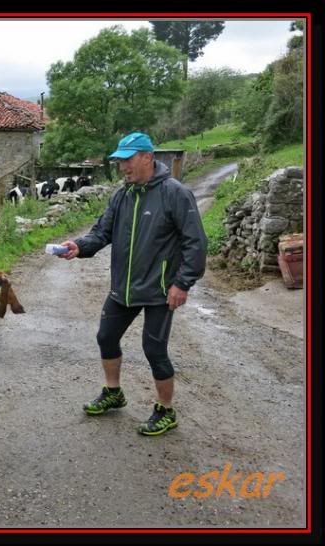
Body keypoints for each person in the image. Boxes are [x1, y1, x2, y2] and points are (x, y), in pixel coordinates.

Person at [57, 132, 207, 436]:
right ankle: (114, 393)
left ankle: (165, 410)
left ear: (147, 157)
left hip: (160, 291)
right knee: (106, 337)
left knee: (154, 350)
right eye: (119, 161)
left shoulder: (175, 193)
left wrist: (183, 283)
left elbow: (196, 243)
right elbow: (102, 232)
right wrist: (79, 246)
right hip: (124, 287)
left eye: (127, 160)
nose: (122, 167)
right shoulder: (122, 195)